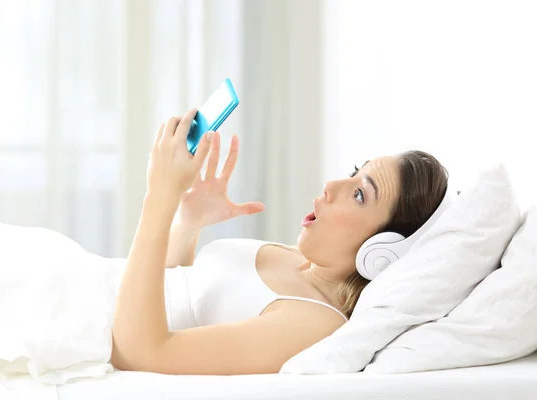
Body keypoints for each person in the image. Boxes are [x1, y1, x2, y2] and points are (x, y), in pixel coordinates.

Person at [110, 108, 449, 375]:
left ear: (381, 253)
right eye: (353, 173)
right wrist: (187, 224)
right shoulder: (296, 260)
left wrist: (160, 196)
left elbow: (141, 351)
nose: (331, 185)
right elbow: (172, 293)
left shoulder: (314, 324)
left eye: (360, 194)